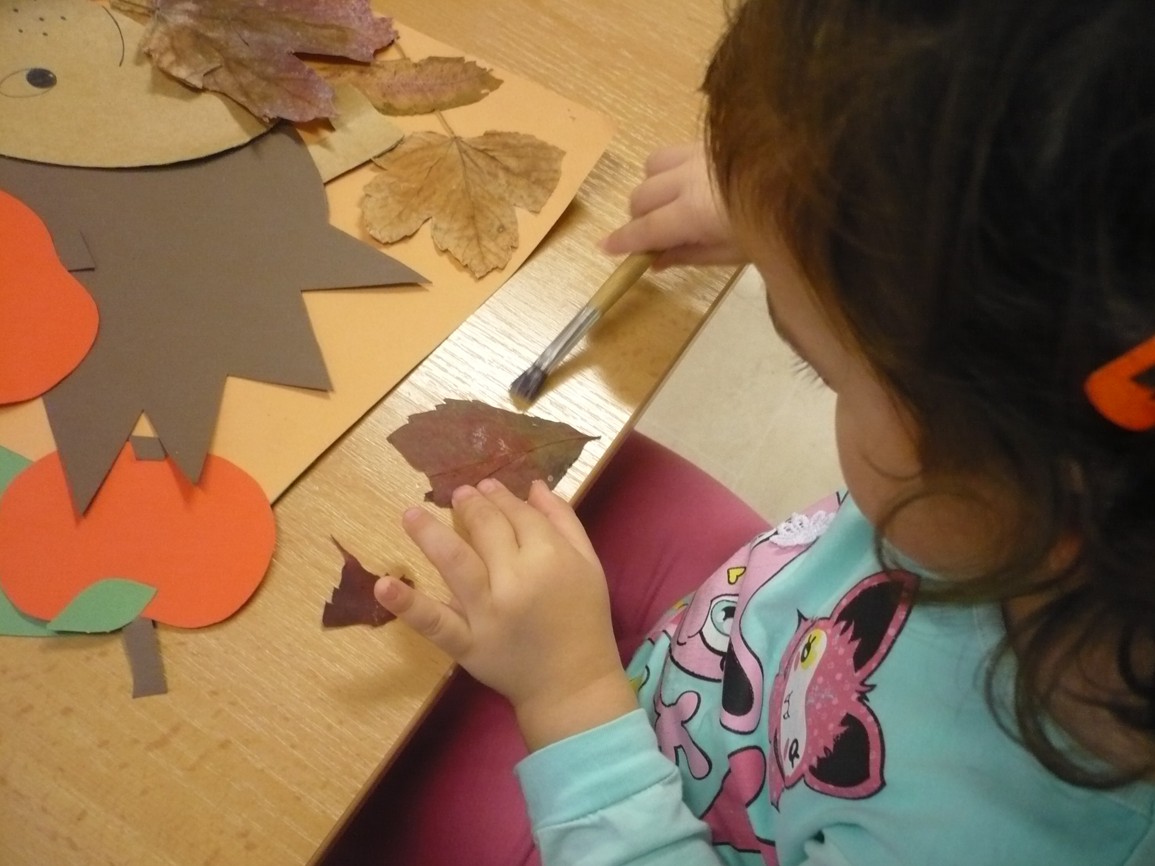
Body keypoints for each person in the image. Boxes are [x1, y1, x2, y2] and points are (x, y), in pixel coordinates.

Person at [341, 0, 1155, 862]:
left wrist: (569, 697)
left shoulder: (1000, 837)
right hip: (761, 632)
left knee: (358, 802)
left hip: (645, 822)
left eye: (826, 371)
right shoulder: (1056, 473)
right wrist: (795, 214)